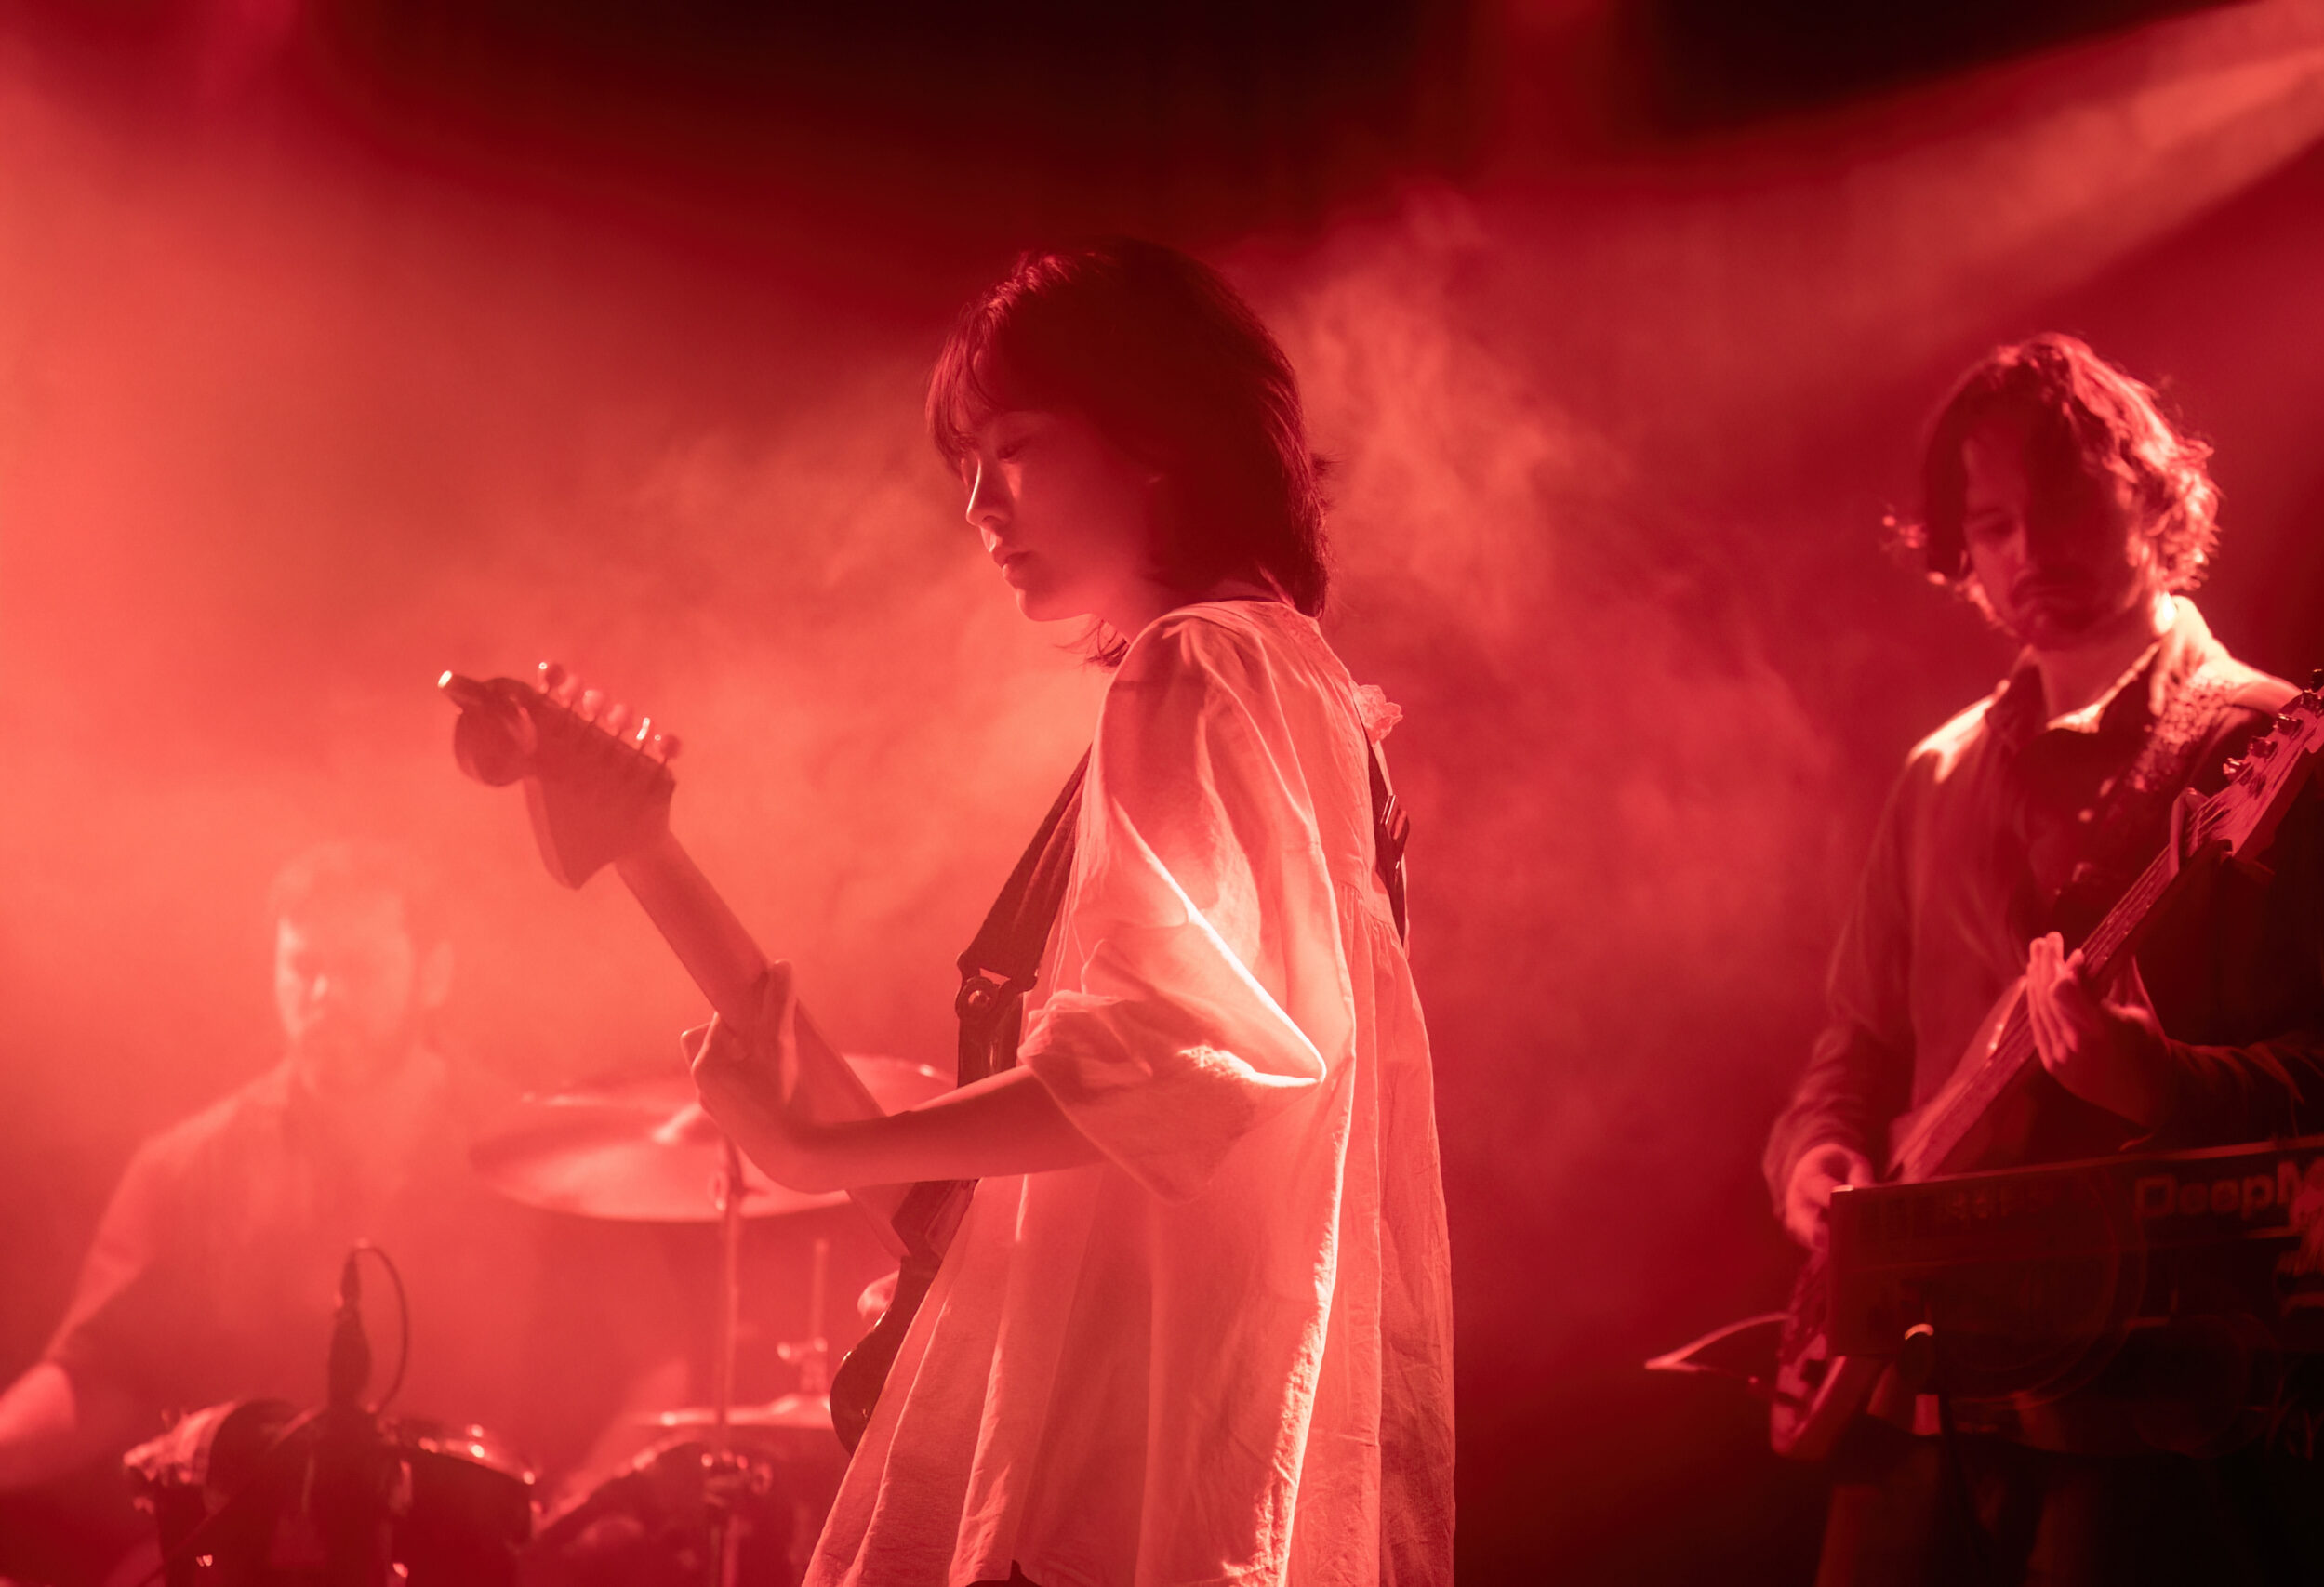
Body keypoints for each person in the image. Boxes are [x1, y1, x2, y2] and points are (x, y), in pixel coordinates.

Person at [687, 240, 1457, 1587]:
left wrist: (814, 1145)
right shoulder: (1308, 687)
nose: (979, 503)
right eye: (968, 464)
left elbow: (1173, 1058)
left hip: (1118, 1484)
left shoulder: (1192, 667)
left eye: (1019, 448)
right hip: (1222, 1460)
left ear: (1156, 433)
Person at [1765, 334, 2324, 1584]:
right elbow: (1854, 1050)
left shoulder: (2270, 744)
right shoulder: (1934, 775)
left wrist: (2160, 1083)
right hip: (1909, 1414)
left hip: (2145, 1428)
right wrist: (1814, 1160)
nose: (2025, 553)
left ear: (2151, 495)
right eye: (1990, 527)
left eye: (2060, 509)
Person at [0, 841, 677, 1583]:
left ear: (432, 976)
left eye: (358, 969)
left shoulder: (547, 1156)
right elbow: (97, 1375)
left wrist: (577, 1516)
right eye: (303, 966)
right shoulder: (188, 1166)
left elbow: (661, 1368)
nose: (324, 994)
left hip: (468, 1558)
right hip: (247, 1560)